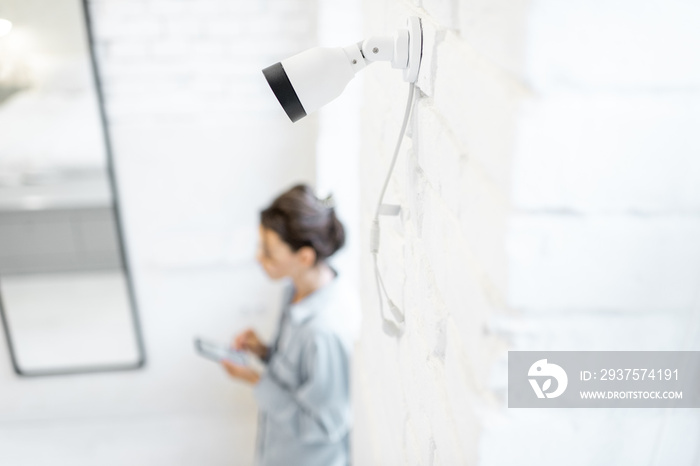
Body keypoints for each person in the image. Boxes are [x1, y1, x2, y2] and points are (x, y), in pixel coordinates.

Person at [222, 183, 361, 466]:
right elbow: (299, 376)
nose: (258, 258)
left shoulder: (323, 331)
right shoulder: (294, 290)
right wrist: (263, 351)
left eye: (269, 252)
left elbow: (325, 427)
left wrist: (254, 379)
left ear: (305, 257)